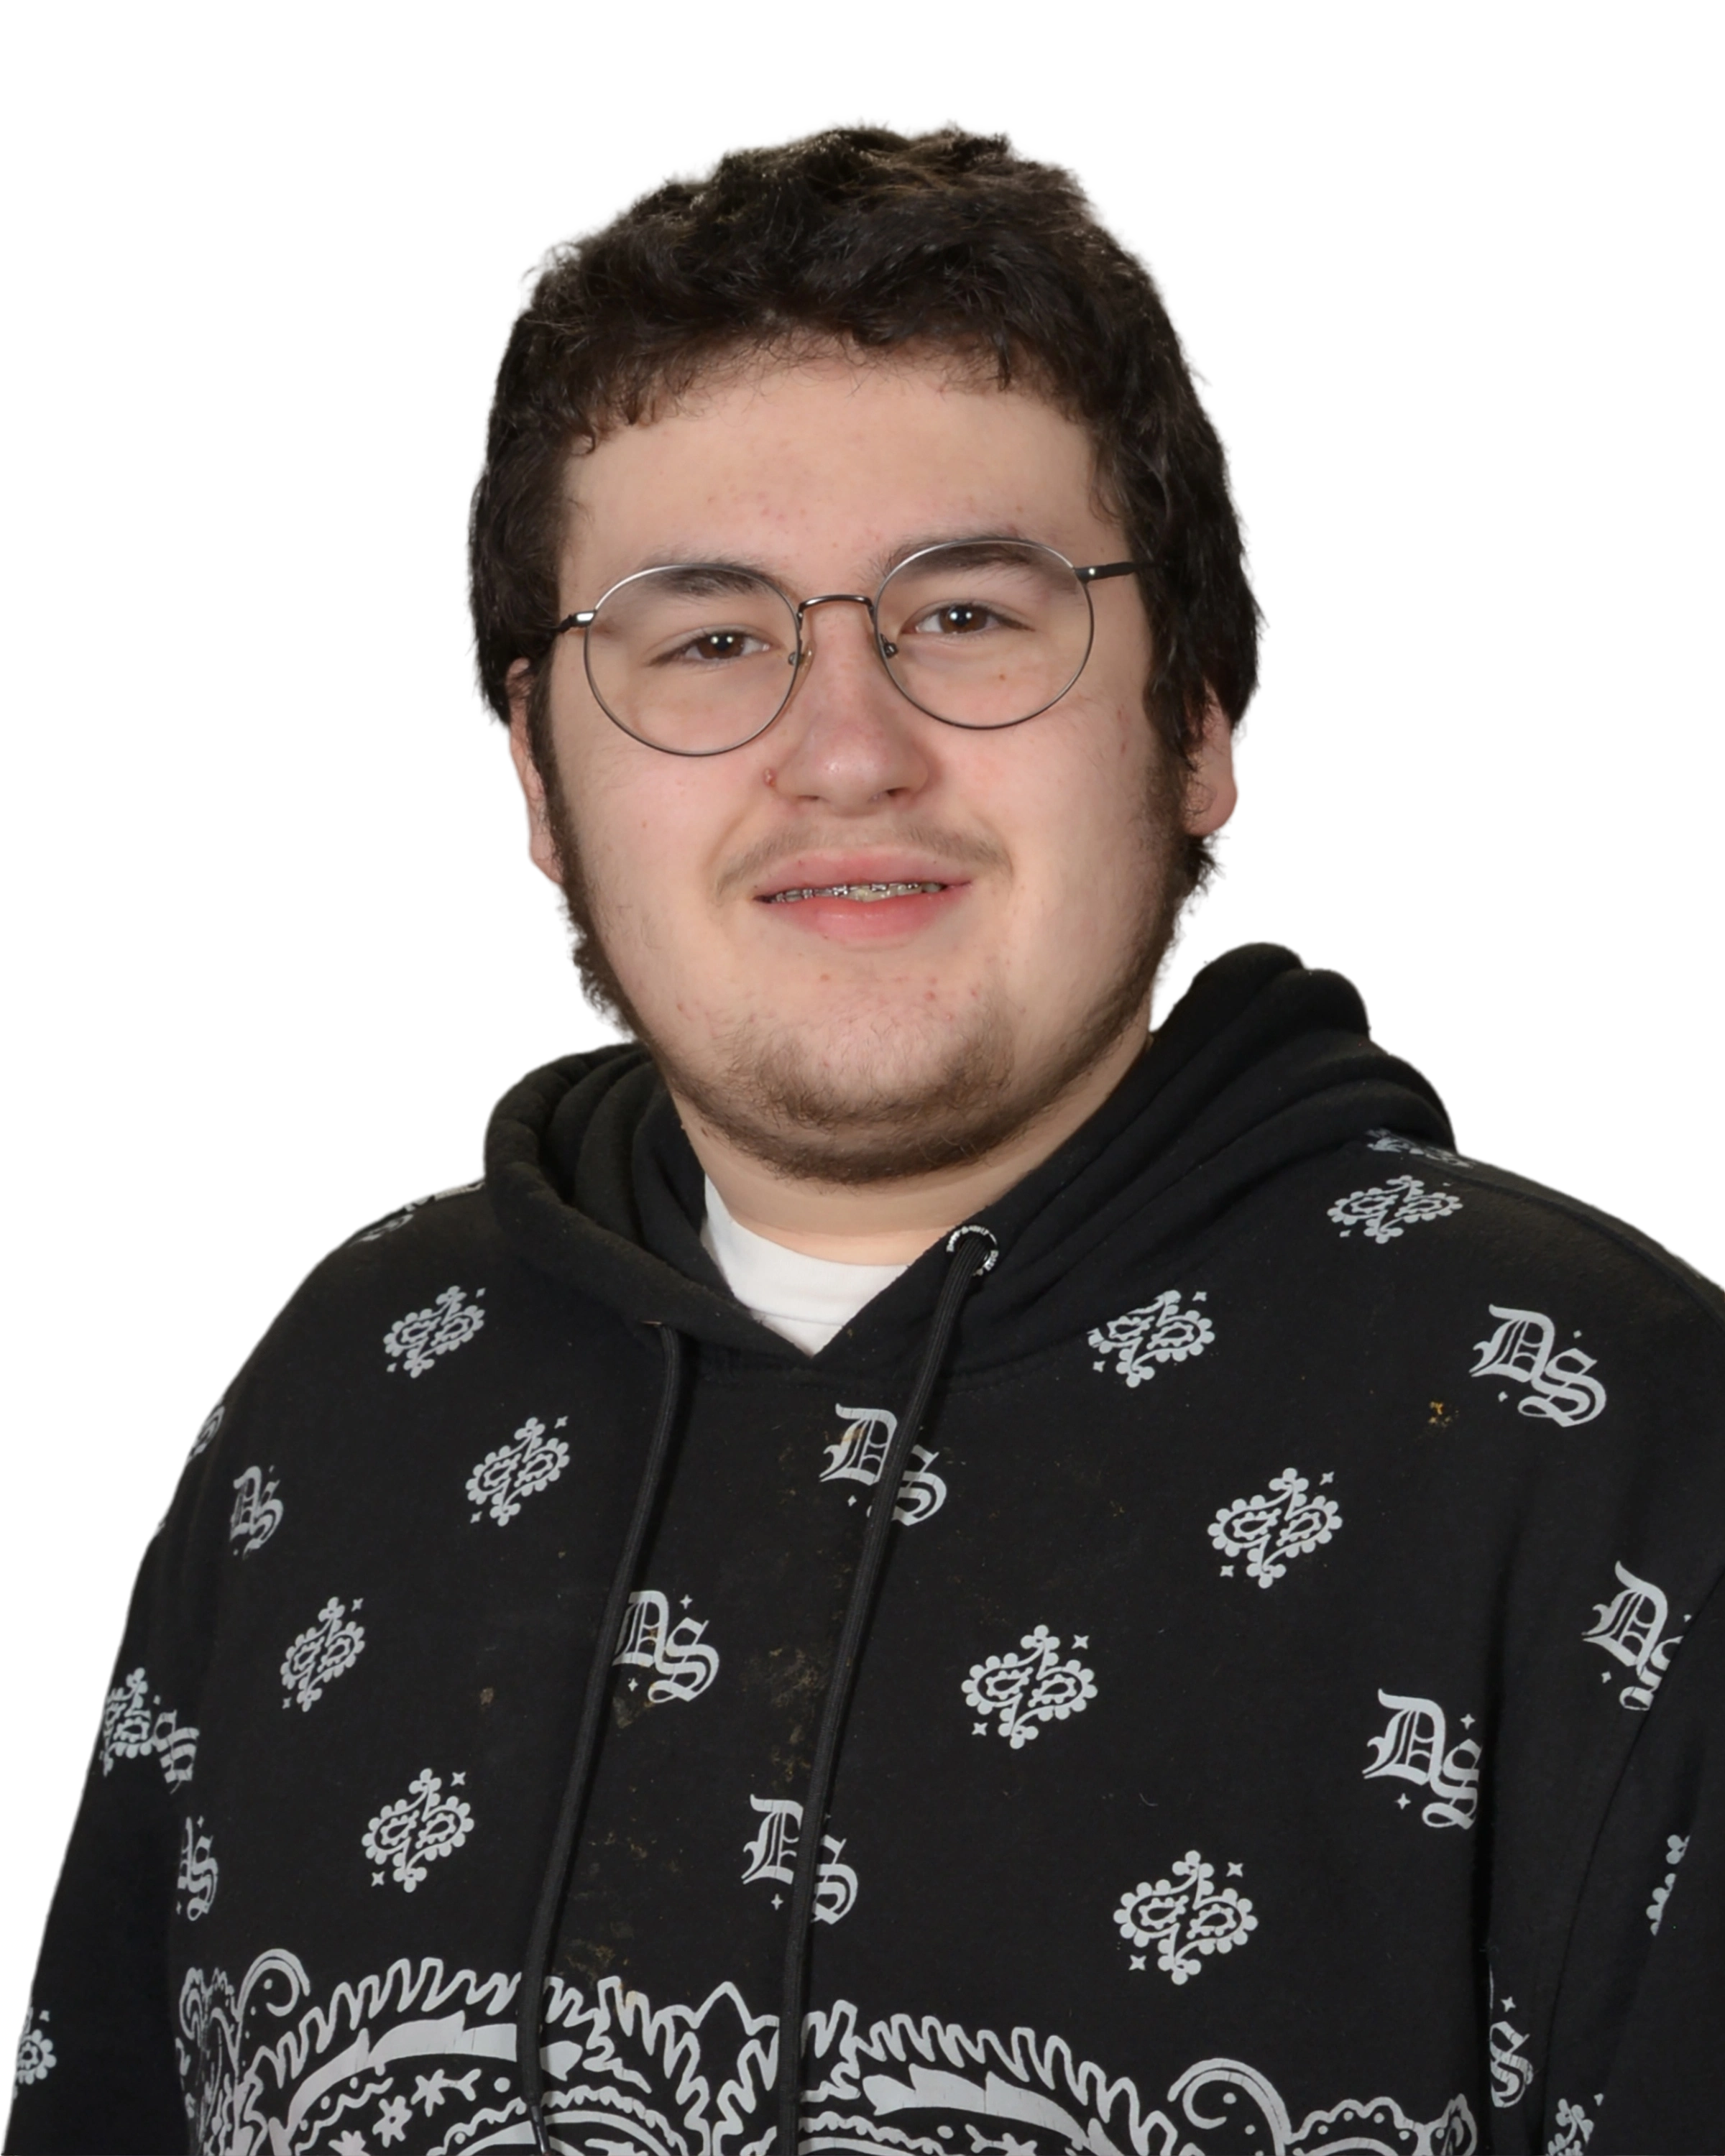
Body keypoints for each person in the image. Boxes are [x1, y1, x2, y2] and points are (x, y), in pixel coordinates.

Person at [6, 113, 1720, 2156]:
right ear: (536, 777)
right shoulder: (344, 1396)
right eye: (709, 639)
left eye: (970, 615)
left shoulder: (1606, 1442)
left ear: (1197, 722)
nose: (844, 751)